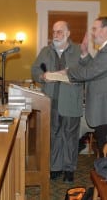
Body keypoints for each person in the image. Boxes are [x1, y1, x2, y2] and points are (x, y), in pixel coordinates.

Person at [60, 16, 107, 156]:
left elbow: (90, 72)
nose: (92, 33)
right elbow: (97, 68)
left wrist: (67, 72)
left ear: (106, 30)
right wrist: (85, 54)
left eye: (94, 29)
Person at [31, 21, 83, 183]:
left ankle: (69, 169)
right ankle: (55, 167)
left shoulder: (78, 50)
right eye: (54, 32)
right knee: (53, 135)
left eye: (60, 32)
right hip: (50, 100)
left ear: (68, 33)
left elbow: (86, 71)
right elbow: (35, 70)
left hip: (71, 101)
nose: (56, 35)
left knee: (70, 136)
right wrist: (42, 76)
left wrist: (71, 74)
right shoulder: (45, 51)